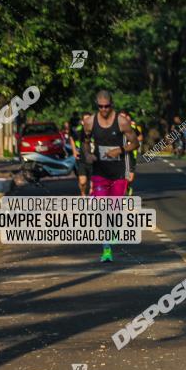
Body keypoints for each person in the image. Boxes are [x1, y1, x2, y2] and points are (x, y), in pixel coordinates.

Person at [82, 90, 139, 262]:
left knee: (114, 210)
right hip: (100, 171)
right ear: (97, 106)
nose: (104, 109)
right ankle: (106, 249)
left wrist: (120, 150)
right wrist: (88, 155)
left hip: (118, 172)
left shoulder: (122, 122)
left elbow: (135, 143)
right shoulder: (90, 122)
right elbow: (85, 144)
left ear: (111, 105)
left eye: (106, 106)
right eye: (100, 106)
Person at [69, 111, 91, 196]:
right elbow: (71, 138)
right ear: (82, 122)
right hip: (82, 159)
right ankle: (83, 193)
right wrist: (74, 151)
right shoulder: (78, 131)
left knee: (93, 183)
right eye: (85, 120)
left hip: (94, 160)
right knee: (82, 182)